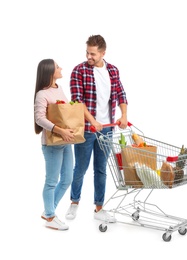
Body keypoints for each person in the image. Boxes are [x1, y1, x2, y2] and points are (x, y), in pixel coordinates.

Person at [65, 35, 128, 222]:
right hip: (86, 129)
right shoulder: (79, 71)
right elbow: (77, 101)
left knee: (101, 169)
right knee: (80, 168)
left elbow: (121, 94)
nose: (89, 56)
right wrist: (92, 121)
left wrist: (123, 115)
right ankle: (74, 203)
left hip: (107, 130)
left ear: (103, 53)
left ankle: (99, 208)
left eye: (93, 53)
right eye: (87, 52)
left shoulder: (113, 70)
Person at [34, 59, 75, 230]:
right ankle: (50, 217)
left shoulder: (59, 89)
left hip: (66, 141)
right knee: (52, 181)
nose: (61, 68)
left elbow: (64, 112)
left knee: (67, 179)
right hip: (52, 144)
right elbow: (39, 118)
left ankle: (48, 211)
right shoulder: (42, 94)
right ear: (51, 72)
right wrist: (60, 130)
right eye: (58, 67)